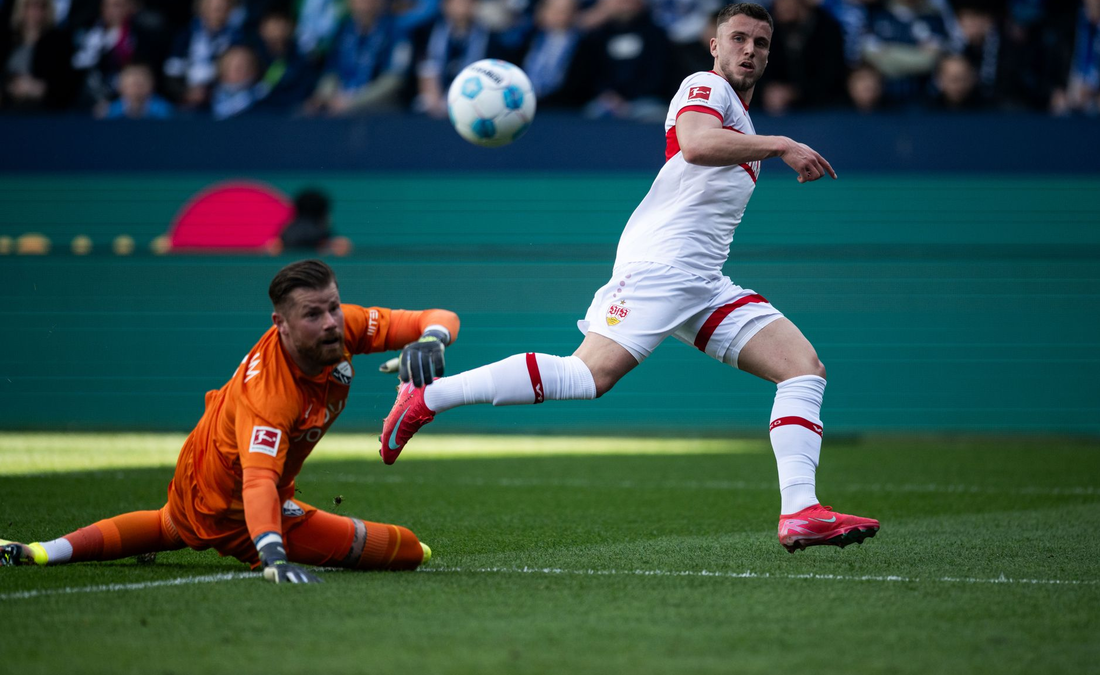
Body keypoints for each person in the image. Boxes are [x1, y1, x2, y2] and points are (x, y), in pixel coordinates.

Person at [380, 2, 880, 554]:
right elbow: (695, 143)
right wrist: (783, 144)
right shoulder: (705, 88)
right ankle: (426, 396)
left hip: (702, 281)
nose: (750, 51)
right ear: (714, 46)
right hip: (662, 270)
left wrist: (769, 141)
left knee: (803, 371)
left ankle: (801, 512)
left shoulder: (741, 115)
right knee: (588, 376)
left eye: (760, 43)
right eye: (738, 38)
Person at [1, 260, 460, 583]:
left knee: (171, 526)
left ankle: (43, 551)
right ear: (279, 323)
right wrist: (272, 553)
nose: (331, 323)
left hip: (208, 465)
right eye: (313, 314)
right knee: (406, 550)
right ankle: (240, 536)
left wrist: (433, 340)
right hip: (234, 508)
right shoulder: (271, 397)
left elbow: (435, 316)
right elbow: (258, 483)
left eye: (334, 306)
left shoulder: (343, 327)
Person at [97, 59, 173, 117]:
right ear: (120, 84)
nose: (137, 81)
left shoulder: (167, 111)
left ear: (152, 83)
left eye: (142, 78)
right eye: (132, 83)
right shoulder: (108, 113)